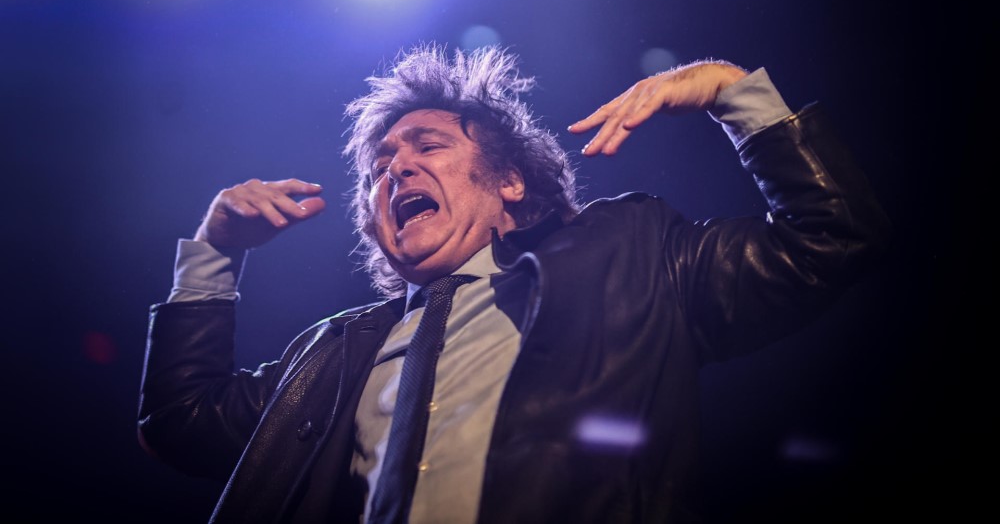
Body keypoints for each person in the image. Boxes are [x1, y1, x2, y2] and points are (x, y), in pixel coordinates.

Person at [137, 43, 890, 524]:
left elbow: (830, 237)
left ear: (510, 182)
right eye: (379, 167)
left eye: (427, 145)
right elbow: (181, 420)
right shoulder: (334, 352)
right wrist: (216, 249)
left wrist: (730, 92)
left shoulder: (630, 257)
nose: (396, 169)